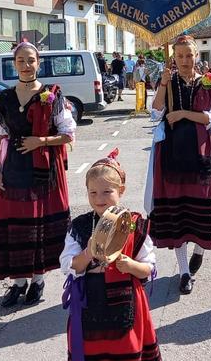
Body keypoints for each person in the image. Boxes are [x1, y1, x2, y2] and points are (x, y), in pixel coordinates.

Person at [0, 41, 76, 306]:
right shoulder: (4, 98)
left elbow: (68, 135)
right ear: (14, 64)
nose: (26, 66)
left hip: (43, 172)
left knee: (38, 227)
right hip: (14, 168)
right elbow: (2, 136)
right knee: (16, 226)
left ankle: (38, 281)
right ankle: (18, 283)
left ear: (39, 63)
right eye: (21, 61)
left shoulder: (53, 95)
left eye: (31, 60)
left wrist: (40, 141)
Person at [60, 150, 160, 360]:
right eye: (93, 192)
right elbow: (69, 266)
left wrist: (131, 265)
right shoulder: (79, 227)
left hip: (126, 304)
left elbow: (148, 267)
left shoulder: (135, 224)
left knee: (126, 351)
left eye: (107, 192)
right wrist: (88, 253)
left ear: (120, 190)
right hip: (90, 305)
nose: (99, 198)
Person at [147, 35, 211, 295]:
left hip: (202, 152)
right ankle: (184, 272)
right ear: (173, 58)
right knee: (179, 213)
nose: (184, 60)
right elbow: (156, 112)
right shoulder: (168, 82)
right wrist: (162, 86)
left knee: (204, 209)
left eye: (189, 55)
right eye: (179, 56)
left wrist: (183, 114)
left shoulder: (208, 82)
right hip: (173, 154)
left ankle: (200, 251)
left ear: (196, 56)